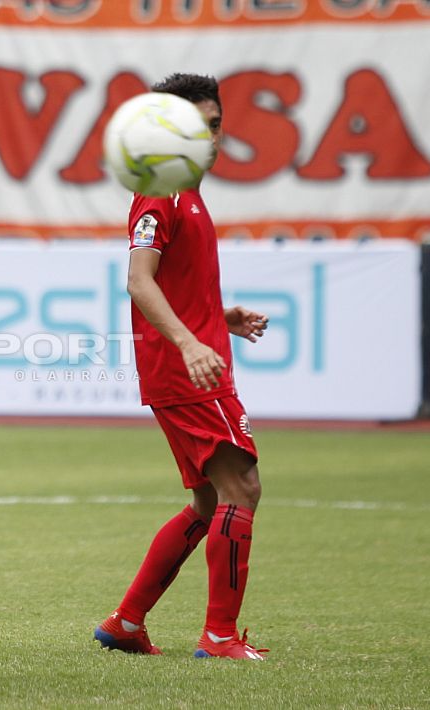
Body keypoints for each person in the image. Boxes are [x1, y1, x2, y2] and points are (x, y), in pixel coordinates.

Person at [92, 74, 270, 660]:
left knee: (206, 502)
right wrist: (193, 345)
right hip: (188, 372)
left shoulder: (185, 190)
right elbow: (139, 282)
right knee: (241, 487)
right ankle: (219, 636)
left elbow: (172, 283)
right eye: (199, 127)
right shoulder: (161, 193)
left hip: (187, 365)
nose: (213, 138)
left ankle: (125, 622)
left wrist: (222, 317)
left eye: (216, 125)